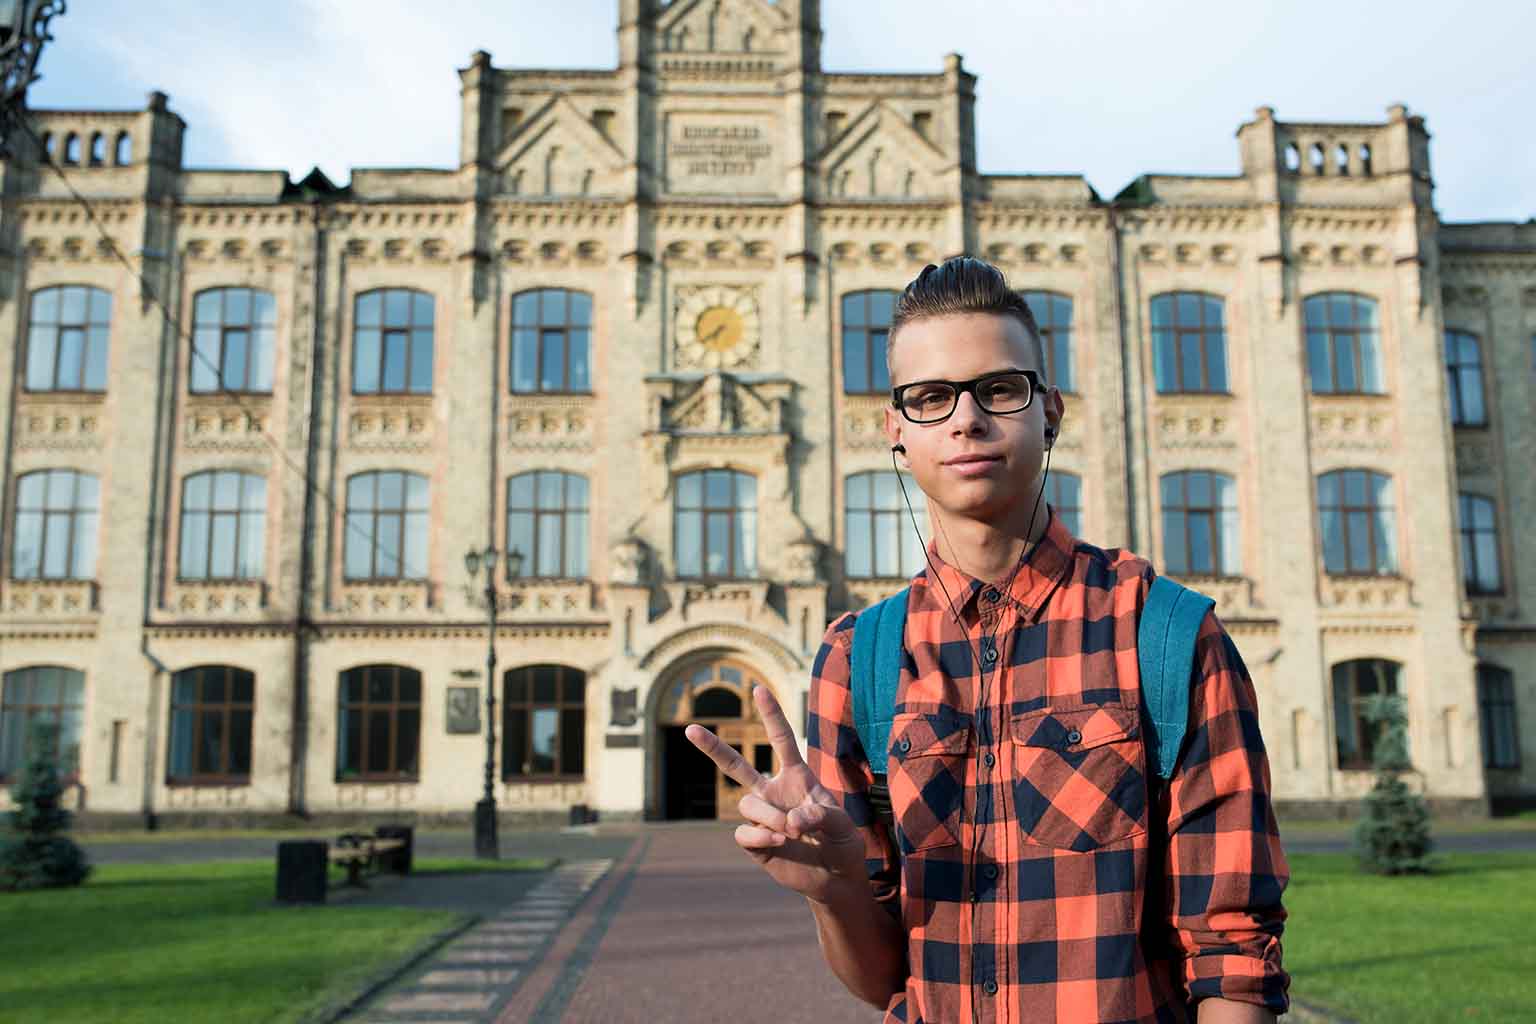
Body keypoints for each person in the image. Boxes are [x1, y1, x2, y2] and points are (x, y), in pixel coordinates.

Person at [686, 257, 1289, 1023]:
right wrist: (834, 885)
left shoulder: (1165, 635)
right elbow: (882, 981)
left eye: (999, 389)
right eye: (932, 397)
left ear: (1051, 412)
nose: (966, 419)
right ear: (895, 432)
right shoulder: (857, 660)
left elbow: (1234, 959)